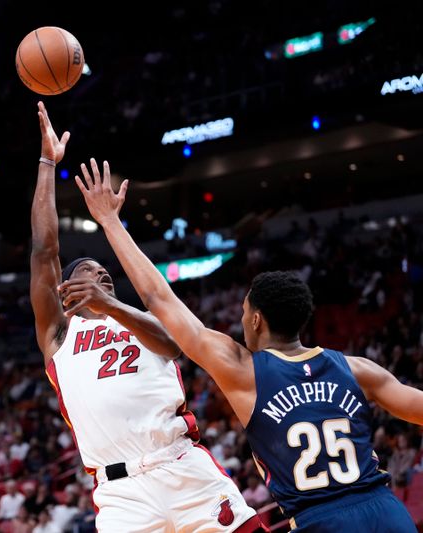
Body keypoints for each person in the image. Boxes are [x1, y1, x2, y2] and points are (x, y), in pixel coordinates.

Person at [68, 157, 423, 532]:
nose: (240, 319)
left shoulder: (245, 370)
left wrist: (109, 221)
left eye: (243, 311)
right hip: (386, 512)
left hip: (320, 521)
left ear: (256, 320)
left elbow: (158, 298)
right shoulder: (358, 369)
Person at [29, 102, 265, 532]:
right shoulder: (59, 335)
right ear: (65, 293)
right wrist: (48, 162)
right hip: (121, 494)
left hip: (182, 467)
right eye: (89, 273)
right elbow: (44, 251)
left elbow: (174, 344)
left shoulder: (137, 317)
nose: (103, 277)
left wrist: (114, 306)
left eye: (106, 276)